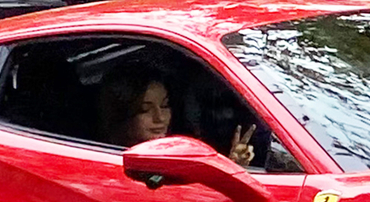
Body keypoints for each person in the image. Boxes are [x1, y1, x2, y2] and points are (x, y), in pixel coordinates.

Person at [96, 67, 256, 165]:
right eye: (145, 110)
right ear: (122, 115)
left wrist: (233, 165)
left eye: (165, 106)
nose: (160, 118)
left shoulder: (178, 151)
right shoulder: (107, 160)